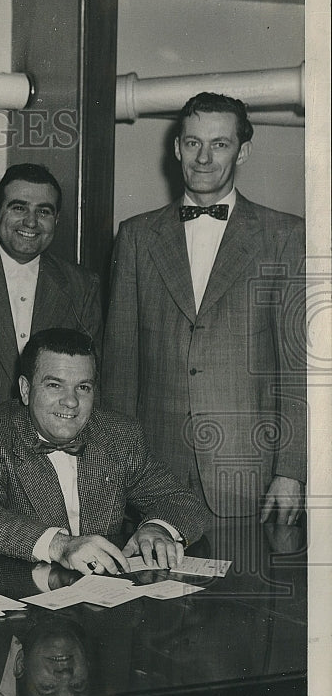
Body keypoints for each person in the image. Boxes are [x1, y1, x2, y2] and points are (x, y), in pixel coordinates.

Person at [103, 92, 306, 521]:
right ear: (177, 148)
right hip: (154, 473)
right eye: (193, 142)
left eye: (220, 144)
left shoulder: (285, 236)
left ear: (243, 151)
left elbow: (297, 368)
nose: (203, 157)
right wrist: (114, 472)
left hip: (249, 473)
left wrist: (292, 471)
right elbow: (120, 367)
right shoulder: (137, 236)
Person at [0, 328, 209, 574]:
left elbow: (179, 498)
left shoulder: (119, 435)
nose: (71, 401)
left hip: (103, 601)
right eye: (55, 385)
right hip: (22, 599)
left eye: (83, 387)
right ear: (26, 390)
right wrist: (60, 545)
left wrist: (157, 528)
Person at [0, 163, 102, 417]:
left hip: (49, 447)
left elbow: (92, 382)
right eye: (19, 208)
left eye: (43, 211)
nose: (31, 221)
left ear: (56, 220)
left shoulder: (82, 286)